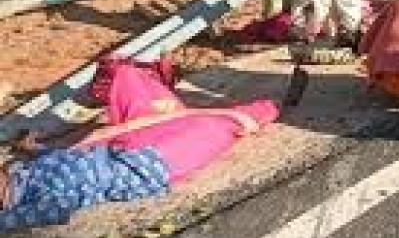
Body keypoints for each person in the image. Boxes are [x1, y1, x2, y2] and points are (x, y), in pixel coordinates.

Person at [0, 60, 282, 232]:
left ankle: (153, 80)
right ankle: (270, 108)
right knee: (212, 127)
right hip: (148, 165)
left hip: (122, 147)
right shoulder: (35, 196)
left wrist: (36, 149)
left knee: (129, 80)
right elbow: (56, 211)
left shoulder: (23, 174)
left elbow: (61, 159)